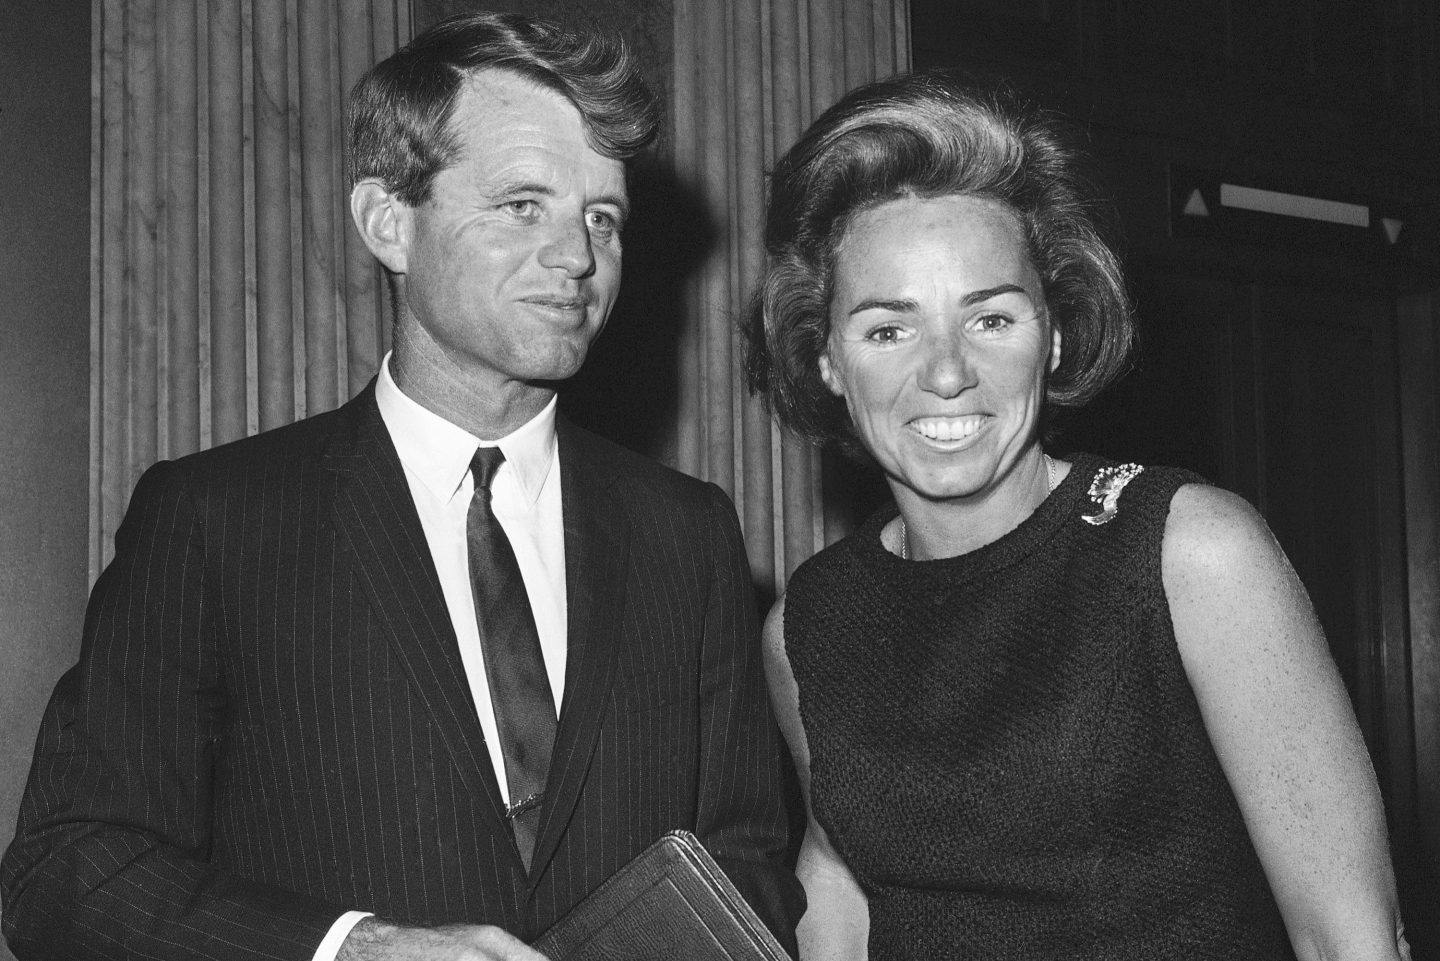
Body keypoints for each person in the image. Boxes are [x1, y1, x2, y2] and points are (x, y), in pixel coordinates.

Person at [1, 12, 802, 961]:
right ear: (389, 222)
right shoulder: (216, 519)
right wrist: (352, 948)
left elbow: (746, 863)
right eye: (521, 205)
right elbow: (69, 867)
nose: (579, 258)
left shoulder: (690, 533)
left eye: (602, 218)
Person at [744, 70, 1410, 961]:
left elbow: (1351, 939)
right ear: (827, 359)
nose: (947, 372)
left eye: (991, 317)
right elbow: (840, 875)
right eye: (888, 329)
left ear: (1053, 334)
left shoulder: (1188, 552)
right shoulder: (807, 624)